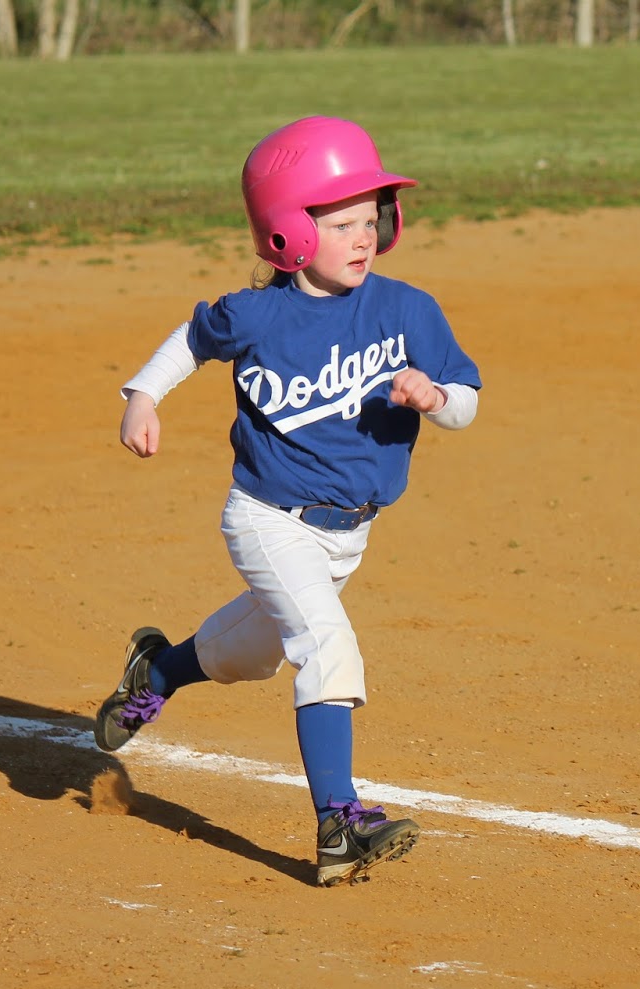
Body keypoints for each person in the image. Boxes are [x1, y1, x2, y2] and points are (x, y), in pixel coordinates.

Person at [95, 116, 482, 888]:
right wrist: (142, 395)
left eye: (370, 218)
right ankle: (340, 823)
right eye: (340, 223)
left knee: (250, 656)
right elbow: (192, 339)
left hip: (348, 535)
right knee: (326, 647)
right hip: (270, 519)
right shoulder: (260, 314)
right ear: (285, 232)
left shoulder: (406, 309)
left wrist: (433, 396)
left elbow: (465, 402)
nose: (363, 235)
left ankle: (158, 673)